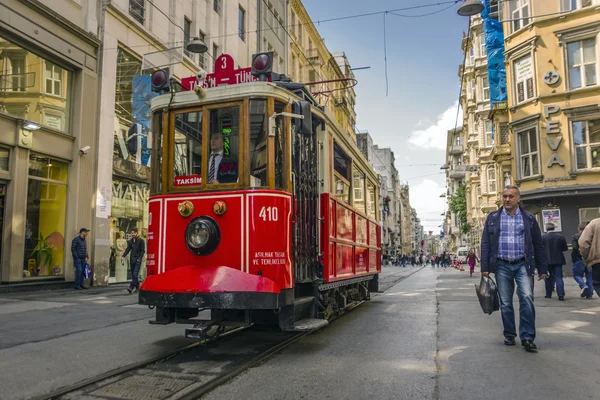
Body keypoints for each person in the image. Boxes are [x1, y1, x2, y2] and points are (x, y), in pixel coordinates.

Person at [480, 186, 547, 352]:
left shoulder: (529, 218)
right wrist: (485, 267)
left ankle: (527, 337)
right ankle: (509, 334)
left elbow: (538, 244)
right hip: (502, 264)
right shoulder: (493, 217)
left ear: (518, 199)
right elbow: (486, 243)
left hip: (523, 264)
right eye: (504, 196)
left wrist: (542, 267)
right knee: (506, 303)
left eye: (511, 196)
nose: (507, 199)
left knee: (527, 298)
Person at [542, 222, 568, 300]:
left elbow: (541, 249)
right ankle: (561, 295)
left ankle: (548, 294)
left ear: (546, 228)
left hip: (547, 260)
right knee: (559, 277)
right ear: (554, 228)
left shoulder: (543, 237)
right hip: (558, 260)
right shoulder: (561, 237)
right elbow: (565, 248)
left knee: (548, 277)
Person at [579, 217, 600, 298]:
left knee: (597, 284)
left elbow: (583, 243)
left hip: (597, 260)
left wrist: (588, 258)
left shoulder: (594, 223)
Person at [572, 222, 593, 299]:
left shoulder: (575, 237)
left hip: (579, 259)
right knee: (589, 276)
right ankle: (590, 294)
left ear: (579, 229)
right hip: (590, 259)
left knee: (576, 275)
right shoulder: (592, 236)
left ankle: (583, 286)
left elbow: (575, 248)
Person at [121, 228, 145, 294]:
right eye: (132, 233)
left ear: (137, 233)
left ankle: (131, 287)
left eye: (134, 233)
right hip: (132, 260)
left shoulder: (141, 241)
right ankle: (137, 287)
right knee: (134, 275)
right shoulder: (130, 241)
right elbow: (127, 249)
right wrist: (123, 256)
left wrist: (139, 258)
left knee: (135, 274)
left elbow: (143, 251)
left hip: (138, 260)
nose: (132, 234)